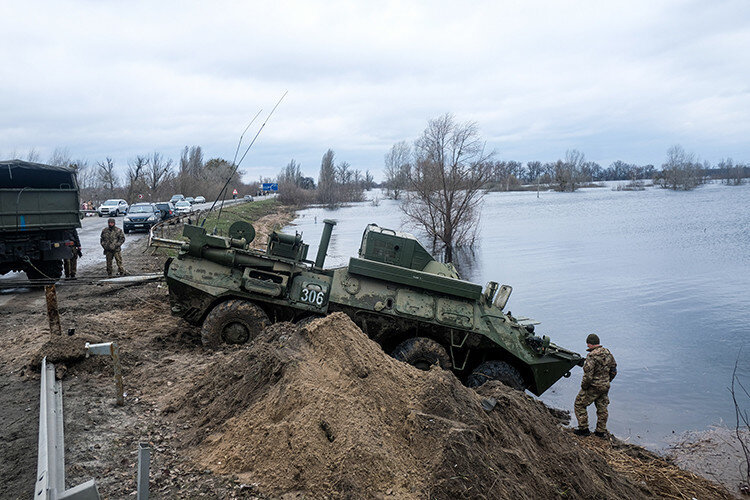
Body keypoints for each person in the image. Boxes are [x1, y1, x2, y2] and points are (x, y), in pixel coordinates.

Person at [573, 333, 617, 437]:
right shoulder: (608, 353)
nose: (587, 346)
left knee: (579, 404)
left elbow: (588, 376)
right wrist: (607, 380)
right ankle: (600, 432)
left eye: (588, 344)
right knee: (602, 408)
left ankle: (584, 429)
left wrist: (584, 387)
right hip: (605, 386)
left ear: (591, 344)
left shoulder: (592, 356)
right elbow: (614, 370)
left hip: (593, 387)